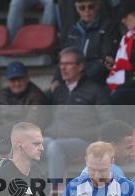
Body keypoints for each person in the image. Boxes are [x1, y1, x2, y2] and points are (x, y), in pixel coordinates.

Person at [44, 47, 113, 182]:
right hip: (54, 138)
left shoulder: (96, 90)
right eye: (61, 64)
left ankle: (55, 194)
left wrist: (88, 134)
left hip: (84, 142)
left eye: (68, 64)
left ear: (80, 66)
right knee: (23, 143)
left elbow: (109, 123)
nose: (63, 68)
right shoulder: (58, 91)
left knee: (55, 147)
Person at [55, 0, 120, 86]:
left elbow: (106, 60)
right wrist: (56, 80)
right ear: (76, 9)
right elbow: (63, 58)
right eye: (82, 7)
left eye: (91, 6)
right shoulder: (72, 30)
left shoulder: (109, 27)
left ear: (97, 6)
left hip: (98, 80)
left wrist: (80, 77)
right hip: (73, 77)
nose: (86, 11)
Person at [0, 61, 49, 129]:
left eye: (20, 79)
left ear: (27, 78)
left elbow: (31, 126)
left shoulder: (37, 96)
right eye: (13, 80)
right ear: (8, 81)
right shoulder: (2, 96)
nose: (17, 83)